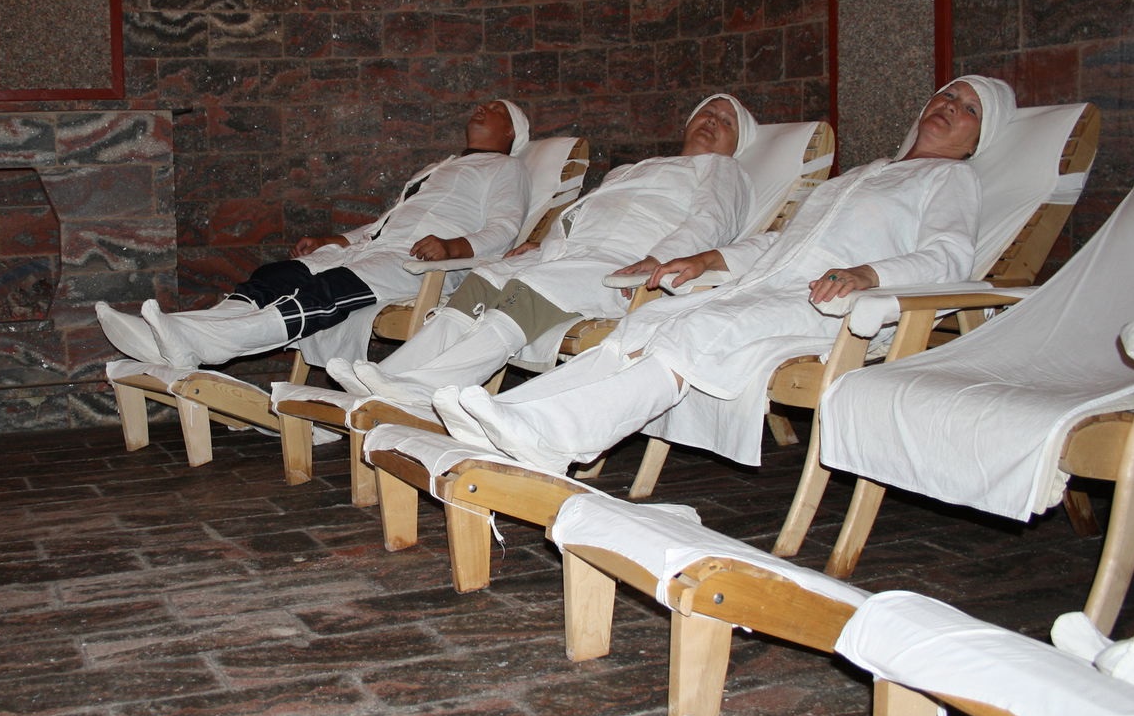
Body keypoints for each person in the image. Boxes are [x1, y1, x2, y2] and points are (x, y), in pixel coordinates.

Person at [434, 76, 1015, 475]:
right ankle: (517, 417)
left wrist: (869, 273)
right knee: (650, 321)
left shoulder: (950, 180)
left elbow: (948, 259)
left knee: (698, 331)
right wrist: (710, 259)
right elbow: (784, 243)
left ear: (977, 139)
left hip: (836, 306)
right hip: (769, 285)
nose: (950, 107)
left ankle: (556, 437)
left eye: (968, 109)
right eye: (946, 95)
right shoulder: (858, 177)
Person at [328, 94, 759, 409]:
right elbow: (583, 213)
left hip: (623, 263)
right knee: (486, 279)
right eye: (706, 112)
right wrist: (547, 242)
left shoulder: (724, 171)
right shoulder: (634, 169)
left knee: (530, 291)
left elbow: (711, 222)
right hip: (572, 253)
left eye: (726, 121)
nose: (712, 120)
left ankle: (427, 389)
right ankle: (391, 376)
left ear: (736, 143)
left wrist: (662, 258)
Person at [96, 100, 533, 369]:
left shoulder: (506, 168)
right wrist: (337, 240)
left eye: (495, 109)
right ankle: (180, 333)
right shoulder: (439, 168)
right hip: (376, 248)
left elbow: (505, 228)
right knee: (277, 275)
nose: (482, 109)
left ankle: (201, 342)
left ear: (511, 131)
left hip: (422, 264)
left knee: (326, 292)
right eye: (481, 105)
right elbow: (386, 224)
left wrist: (452, 247)